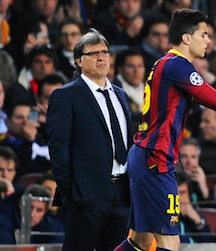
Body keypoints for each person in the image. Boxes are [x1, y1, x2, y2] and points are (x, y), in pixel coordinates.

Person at [114, 9, 216, 251]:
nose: (208, 40)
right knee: (169, 240)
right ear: (187, 38)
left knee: (141, 240)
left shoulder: (164, 64)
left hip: (145, 155)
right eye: (204, 34)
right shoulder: (178, 66)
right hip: (156, 159)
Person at [47, 28, 133, 251]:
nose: (101, 57)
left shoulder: (121, 94)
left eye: (105, 52)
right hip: (85, 196)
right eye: (94, 53)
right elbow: (58, 148)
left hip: (122, 194)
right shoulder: (65, 96)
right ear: (79, 61)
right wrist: (72, 193)